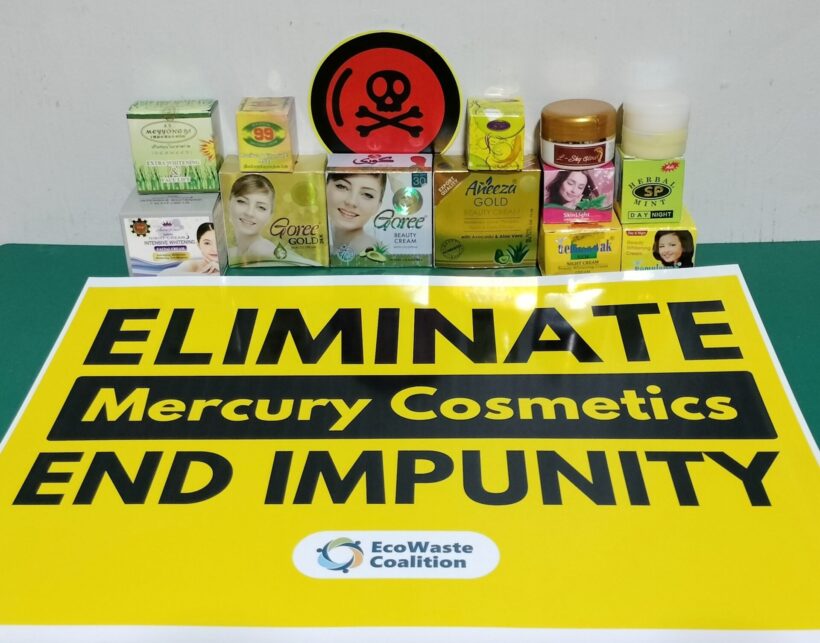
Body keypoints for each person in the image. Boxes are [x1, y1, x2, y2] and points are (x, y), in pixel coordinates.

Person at [326, 172, 387, 255]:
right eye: (342, 186)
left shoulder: (367, 251)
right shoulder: (328, 247)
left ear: (378, 206)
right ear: (325, 187)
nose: (351, 202)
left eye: (367, 195)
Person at [226, 173, 278, 264]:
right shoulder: (231, 253)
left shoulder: (263, 250)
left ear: (270, 217)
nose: (249, 213)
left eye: (261, 207)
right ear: (228, 204)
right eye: (242, 201)